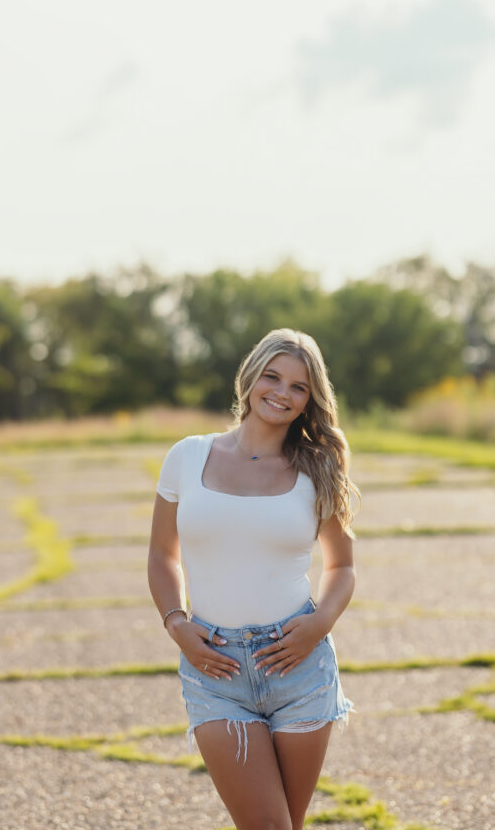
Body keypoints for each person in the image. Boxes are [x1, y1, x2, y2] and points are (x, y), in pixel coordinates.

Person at [147, 328, 360, 830]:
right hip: (214, 669)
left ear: (310, 400)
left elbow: (343, 566)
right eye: (273, 377)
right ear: (250, 377)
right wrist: (177, 624)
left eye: (298, 387)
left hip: (298, 664)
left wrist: (320, 623)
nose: (282, 393)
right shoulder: (187, 456)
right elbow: (161, 553)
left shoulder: (317, 469)